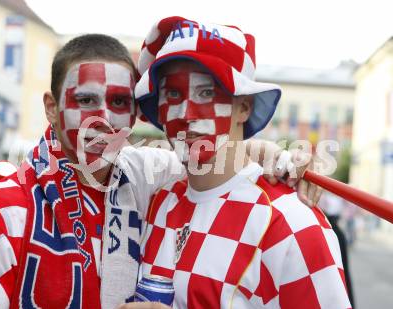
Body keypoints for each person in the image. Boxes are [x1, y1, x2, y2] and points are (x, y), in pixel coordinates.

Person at [0, 33, 319, 309]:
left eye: (118, 102)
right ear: (51, 108)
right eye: (85, 100)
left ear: (134, 113)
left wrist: (270, 154)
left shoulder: (146, 175)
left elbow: (211, 161)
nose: (103, 118)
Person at [125, 17, 351, 308]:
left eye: (206, 92)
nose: (186, 113)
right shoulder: (160, 202)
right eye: (172, 94)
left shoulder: (292, 222)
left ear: (243, 107)